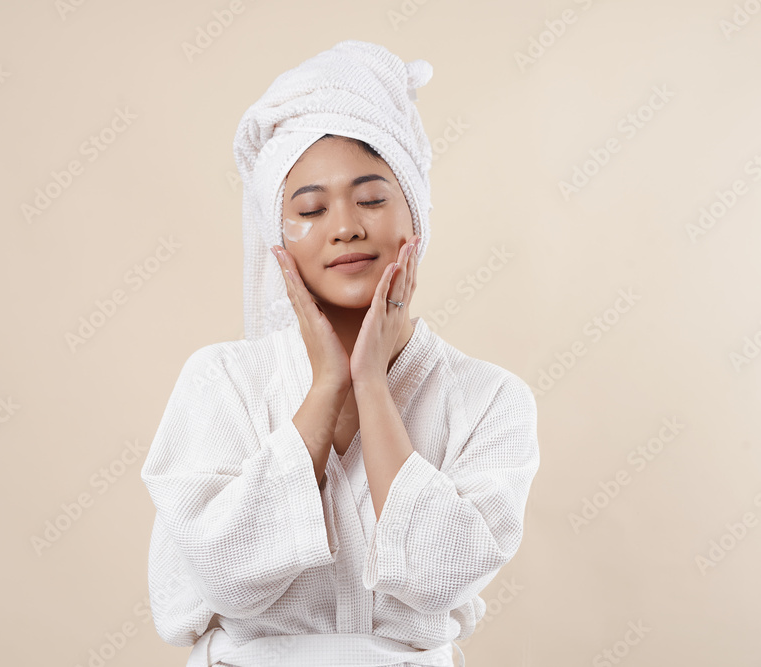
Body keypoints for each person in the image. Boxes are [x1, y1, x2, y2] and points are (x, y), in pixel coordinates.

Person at [140, 40, 540, 667]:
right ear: (279, 238)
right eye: (310, 208)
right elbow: (227, 572)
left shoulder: (489, 398)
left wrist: (373, 388)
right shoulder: (222, 382)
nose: (346, 225)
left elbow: (442, 576)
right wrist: (327, 385)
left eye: (373, 198)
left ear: (417, 217)